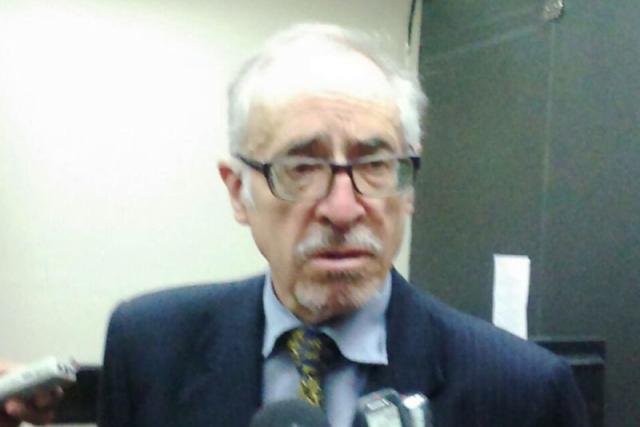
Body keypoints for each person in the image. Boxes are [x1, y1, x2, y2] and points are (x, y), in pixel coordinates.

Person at [1, 23, 589, 427]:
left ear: (407, 189)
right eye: (302, 168)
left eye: (375, 165)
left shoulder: (523, 392)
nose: (343, 208)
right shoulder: (148, 345)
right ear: (238, 191)